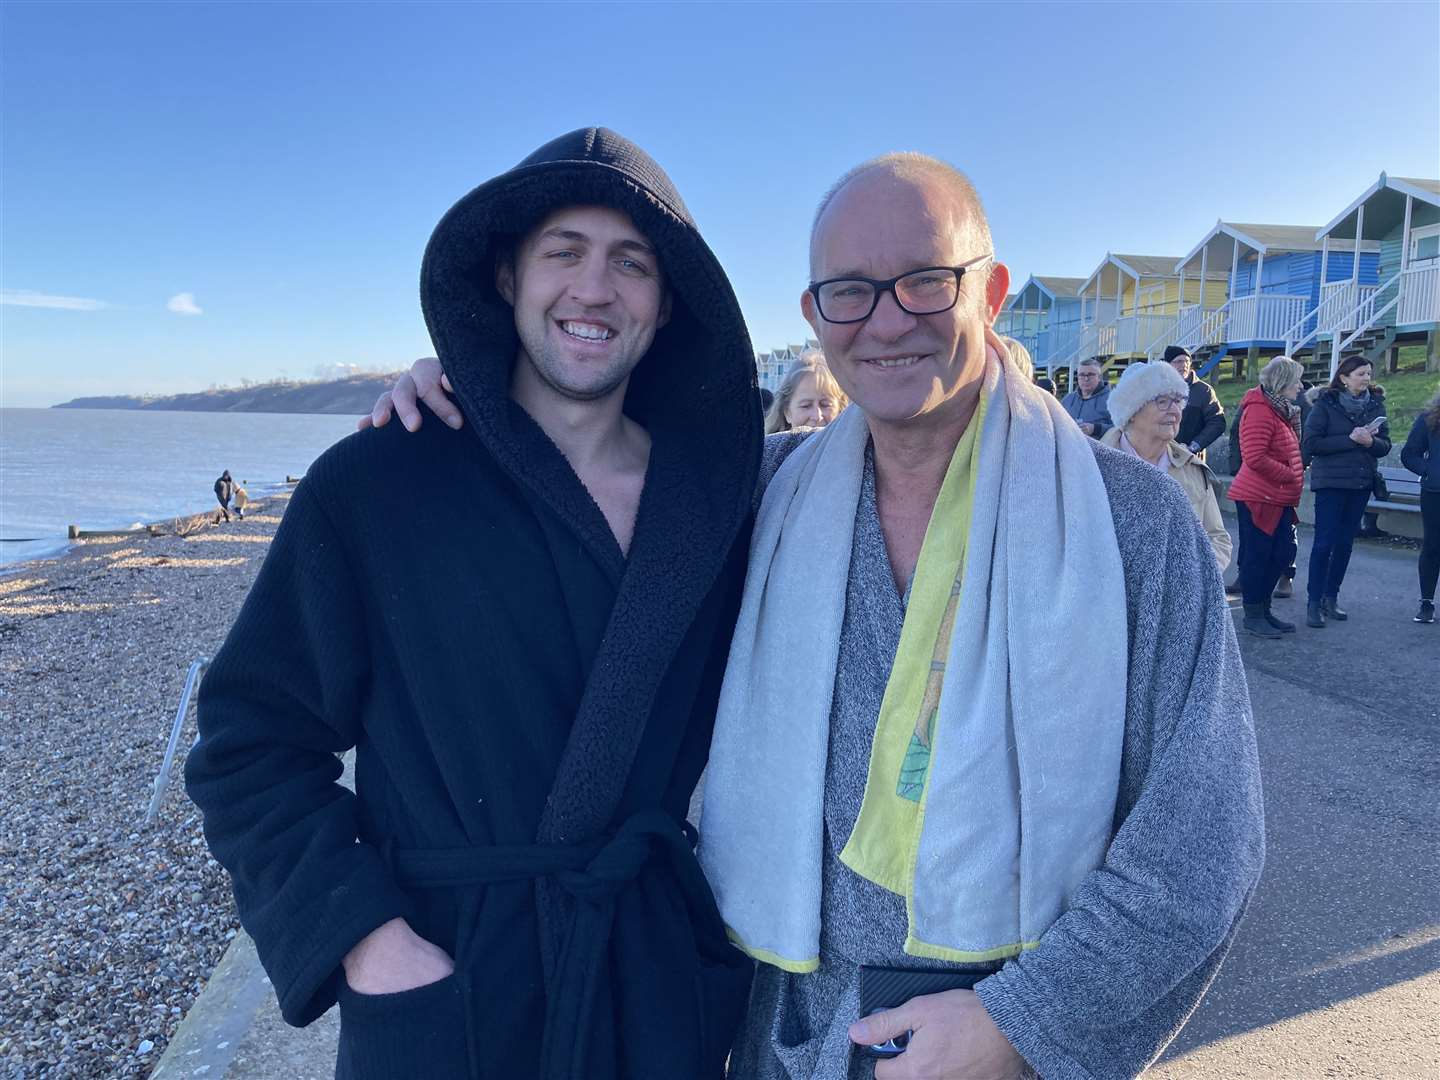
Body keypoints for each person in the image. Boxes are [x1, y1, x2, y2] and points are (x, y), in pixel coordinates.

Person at [376, 152, 1264, 1080]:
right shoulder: (759, 497)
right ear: (813, 313)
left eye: (926, 282)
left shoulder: (1129, 523)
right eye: (849, 291)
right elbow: (590, 457)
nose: (887, 321)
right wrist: (474, 390)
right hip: (783, 1020)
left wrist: (1023, 1022)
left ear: (991, 291)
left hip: (1002, 1031)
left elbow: (1202, 837)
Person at [185, 129, 760, 1080]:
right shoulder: (376, 486)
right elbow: (249, 741)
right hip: (453, 993)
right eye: (562, 253)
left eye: (632, 262)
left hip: (653, 987)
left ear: (666, 306)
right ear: (505, 278)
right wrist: (364, 939)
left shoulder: (723, 507)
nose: (593, 288)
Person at [1100, 361, 1233, 575]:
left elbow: (1217, 537)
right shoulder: (1096, 468)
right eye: (1162, 401)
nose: (1175, 411)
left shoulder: (1191, 468)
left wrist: (1193, 577)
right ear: (1132, 411)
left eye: (1178, 401)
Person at [1301, 357, 1390, 628]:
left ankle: (1331, 596)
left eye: (1368, 373)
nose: (1366, 378)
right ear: (1344, 377)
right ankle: (1313, 602)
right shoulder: (1325, 405)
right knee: (1324, 543)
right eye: (1360, 373)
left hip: (1360, 484)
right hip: (1331, 484)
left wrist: (1371, 441)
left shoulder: (1375, 404)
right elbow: (1312, 443)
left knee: (1344, 544)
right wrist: (1349, 439)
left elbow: (1385, 445)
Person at [1226, 357, 1306, 638]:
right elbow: (1255, 457)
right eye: (1296, 380)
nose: (1300, 385)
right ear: (1282, 382)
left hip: (1277, 496)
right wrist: (1290, 473)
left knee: (1280, 553)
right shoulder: (1260, 410)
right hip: (1259, 496)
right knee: (1260, 556)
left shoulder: (1280, 410)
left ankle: (1264, 608)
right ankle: (1253, 614)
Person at [1401, 389, 1440, 623]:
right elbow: (1409, 454)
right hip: (1435, 493)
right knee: (1433, 546)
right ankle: (1426, 602)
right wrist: (1430, 471)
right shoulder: (1429, 418)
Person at [1163, 345, 1226, 460]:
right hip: (1160, 455)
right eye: (1179, 361)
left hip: (1192, 458)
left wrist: (1194, 446)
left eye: (1187, 361)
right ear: (1168, 365)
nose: (1184, 365)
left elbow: (1217, 422)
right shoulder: (1158, 389)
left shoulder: (1204, 391)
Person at [767, 355, 847, 433]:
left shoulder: (857, 445)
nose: (817, 416)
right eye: (806, 406)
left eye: (825, 405)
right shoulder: (765, 446)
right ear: (787, 412)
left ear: (840, 410)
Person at [1059, 357, 1112, 438]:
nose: (1086, 379)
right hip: (1070, 446)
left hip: (1098, 448)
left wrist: (1095, 429)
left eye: (1090, 375)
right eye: (1082, 375)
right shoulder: (1068, 400)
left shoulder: (1112, 400)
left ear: (1099, 377)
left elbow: (1122, 428)